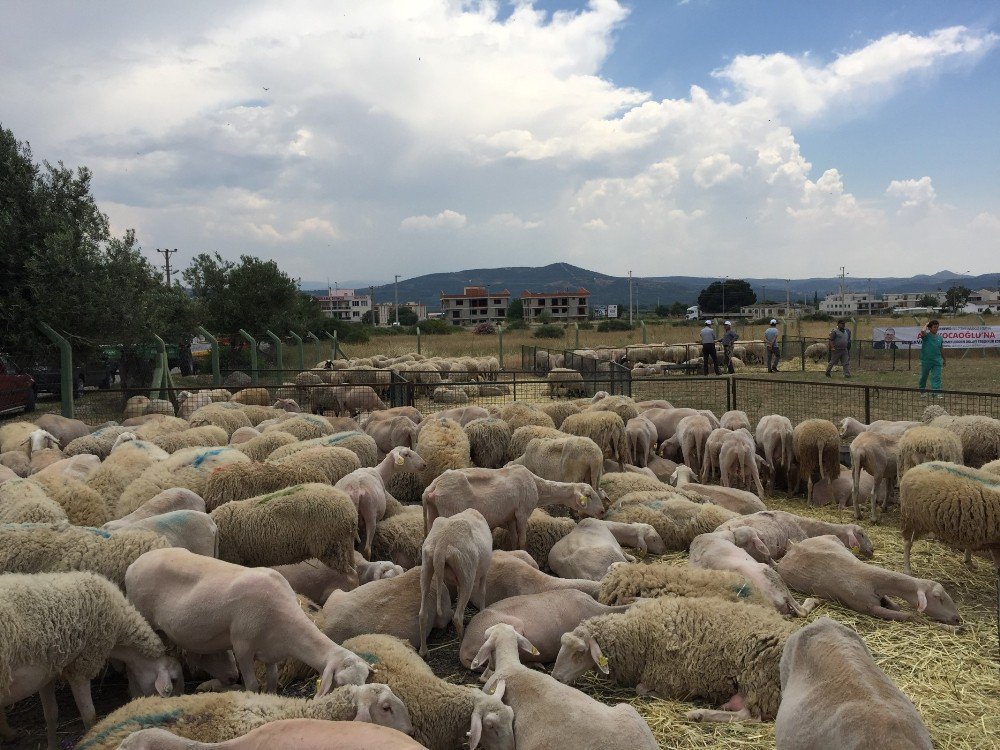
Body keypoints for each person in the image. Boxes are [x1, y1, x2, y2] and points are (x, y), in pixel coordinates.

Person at [916, 319, 945, 395]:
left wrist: (944, 359)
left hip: (937, 361)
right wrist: (927, 324)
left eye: (937, 327)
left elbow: (941, 349)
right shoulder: (926, 336)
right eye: (934, 327)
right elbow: (922, 331)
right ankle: (922, 391)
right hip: (926, 360)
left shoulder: (940, 338)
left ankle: (936, 393)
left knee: (936, 377)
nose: (936, 329)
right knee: (924, 376)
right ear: (930, 328)